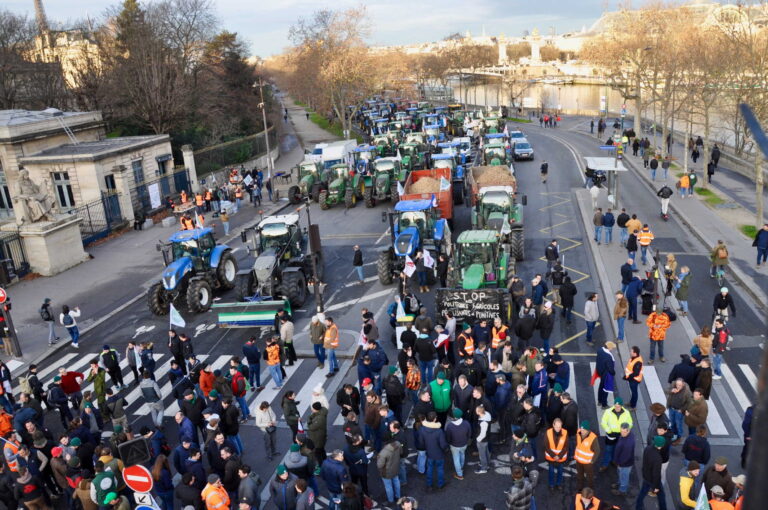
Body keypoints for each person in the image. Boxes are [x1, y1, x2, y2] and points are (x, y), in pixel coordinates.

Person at [635, 435, 667, 510]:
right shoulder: (658, 459)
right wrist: (655, 487)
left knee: (642, 493)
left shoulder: (647, 448)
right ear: (661, 446)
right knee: (661, 496)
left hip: (646, 475)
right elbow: (656, 474)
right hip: (653, 480)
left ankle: (638, 507)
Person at [574, 421, 600, 492]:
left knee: (589, 477)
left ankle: (590, 489)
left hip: (587, 462)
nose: (581, 431)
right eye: (581, 429)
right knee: (580, 475)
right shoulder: (578, 432)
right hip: (578, 460)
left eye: (584, 430)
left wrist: (592, 461)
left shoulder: (593, 438)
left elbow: (597, 451)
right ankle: (580, 487)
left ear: (588, 430)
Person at [544, 418, 568, 492]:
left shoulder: (565, 432)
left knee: (560, 471)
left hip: (560, 458)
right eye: (557, 426)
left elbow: (566, 446)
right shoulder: (548, 432)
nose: (558, 428)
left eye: (560, 426)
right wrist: (554, 456)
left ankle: (558, 484)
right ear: (553, 425)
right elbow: (546, 446)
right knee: (551, 472)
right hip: (551, 458)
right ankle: (551, 484)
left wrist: (559, 456)